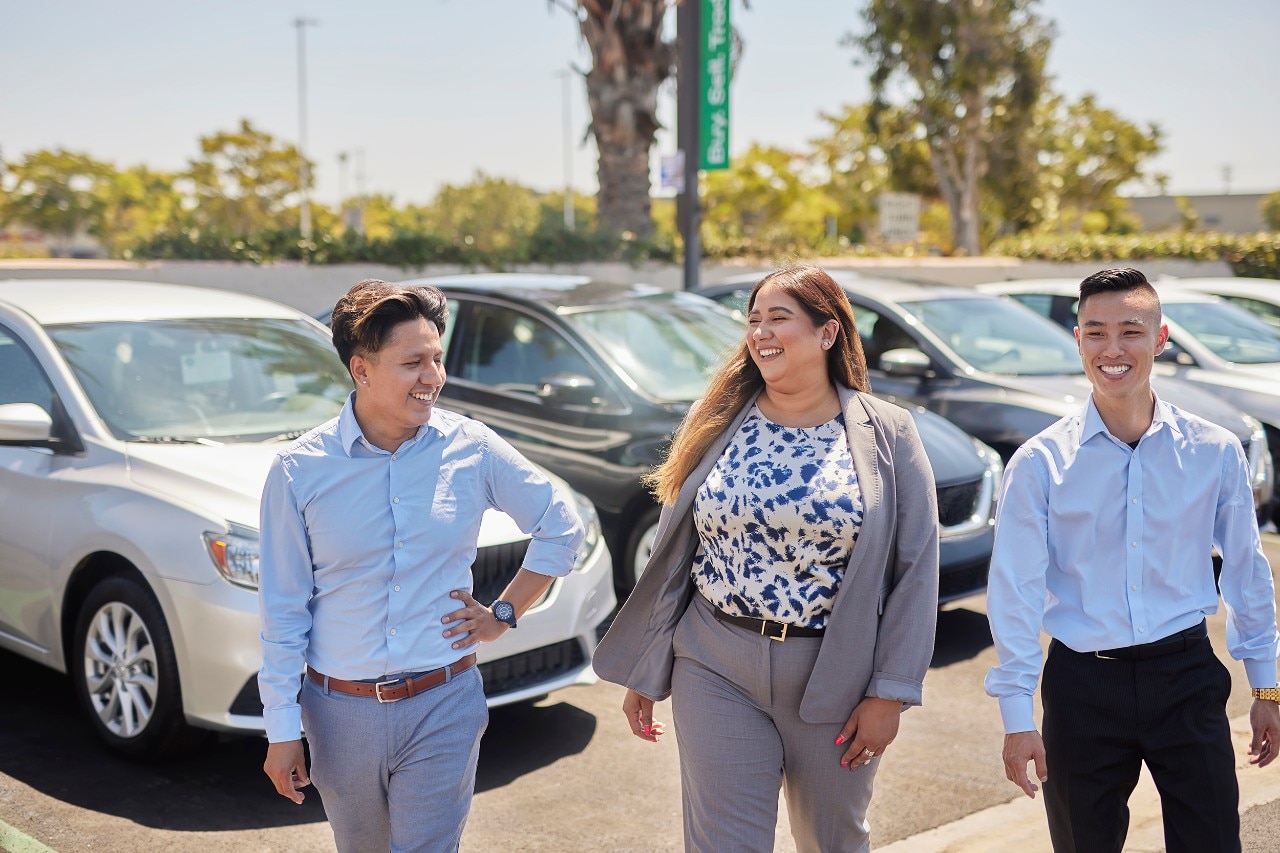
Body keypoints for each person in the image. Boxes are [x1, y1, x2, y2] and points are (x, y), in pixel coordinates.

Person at [594, 264, 940, 852]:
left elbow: (916, 570)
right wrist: (650, 665)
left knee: (833, 841)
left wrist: (891, 693)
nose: (761, 333)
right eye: (754, 320)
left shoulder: (889, 431)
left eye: (779, 318)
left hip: (836, 677)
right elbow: (680, 557)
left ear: (828, 333)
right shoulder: (721, 420)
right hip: (714, 663)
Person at [257, 279, 584, 852]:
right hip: (339, 716)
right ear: (361, 369)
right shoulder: (297, 471)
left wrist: (505, 611)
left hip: (444, 702)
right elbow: (284, 611)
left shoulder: (473, 447)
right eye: (413, 362)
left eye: (436, 358)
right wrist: (282, 730)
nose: (433, 376)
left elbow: (562, 522)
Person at [985, 267, 1280, 853]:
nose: (1112, 349)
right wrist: (1018, 718)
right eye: (1095, 333)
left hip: (1186, 675)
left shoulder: (1214, 450)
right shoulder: (1040, 463)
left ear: (1161, 337)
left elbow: (1249, 572)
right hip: (1081, 687)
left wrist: (1266, 688)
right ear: (1077, 340)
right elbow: (1013, 594)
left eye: (1131, 331)